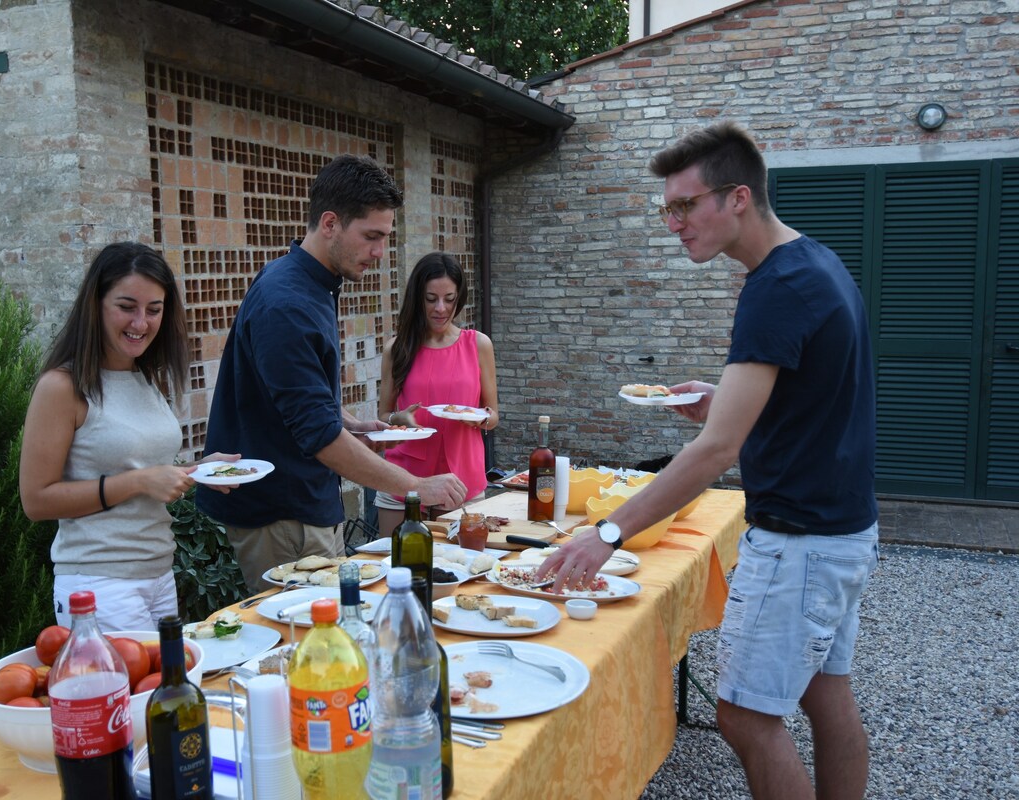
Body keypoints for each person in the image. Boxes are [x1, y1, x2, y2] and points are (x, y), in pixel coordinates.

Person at [538, 122, 879, 799]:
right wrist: (721, 398)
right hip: (842, 531)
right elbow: (812, 390)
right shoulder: (816, 263)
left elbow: (717, 451)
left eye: (686, 206)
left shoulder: (773, 288)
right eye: (668, 208)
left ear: (737, 198)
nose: (674, 223)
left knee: (747, 717)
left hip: (799, 543)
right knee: (826, 697)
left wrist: (607, 532)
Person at [198, 155, 467, 593]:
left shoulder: (308, 285)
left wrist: (351, 423)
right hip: (283, 516)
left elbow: (294, 398)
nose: (380, 252)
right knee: (310, 651)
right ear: (329, 223)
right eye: (371, 237)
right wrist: (417, 487)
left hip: (301, 508)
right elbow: (317, 435)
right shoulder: (287, 302)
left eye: (385, 237)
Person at [19, 242, 238, 631]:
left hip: (158, 574)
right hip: (98, 584)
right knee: (140, 694)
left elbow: (144, 477)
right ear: (96, 304)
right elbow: (36, 500)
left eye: (154, 310)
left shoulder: (142, 377)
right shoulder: (61, 386)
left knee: (165, 691)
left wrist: (199, 471)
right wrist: (139, 481)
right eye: (126, 307)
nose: (141, 323)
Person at [374, 252, 499, 535]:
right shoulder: (397, 349)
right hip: (403, 480)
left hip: (462, 479)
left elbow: (493, 415)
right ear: (418, 298)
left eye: (449, 299)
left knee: (458, 571)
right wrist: (400, 419)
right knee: (397, 571)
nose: (441, 308)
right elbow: (384, 415)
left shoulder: (479, 345)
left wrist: (480, 418)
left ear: (459, 297)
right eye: (431, 299)